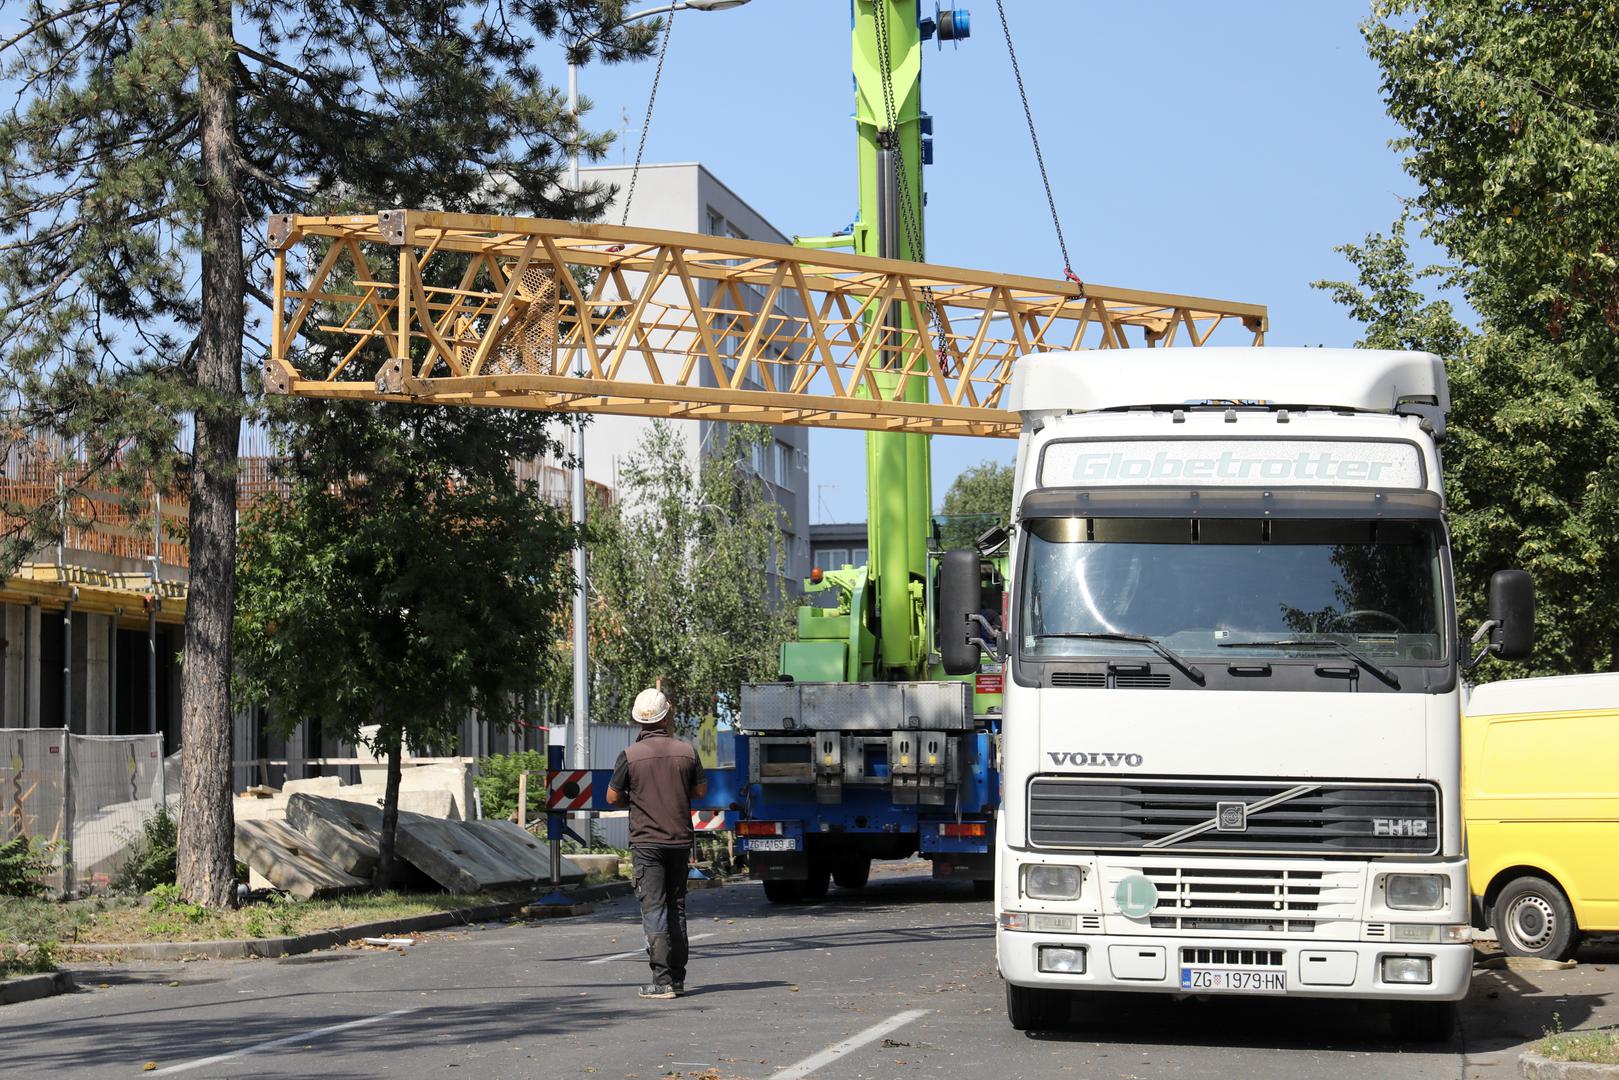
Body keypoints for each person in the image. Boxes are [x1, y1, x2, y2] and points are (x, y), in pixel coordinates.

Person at [605, 686, 707, 1000]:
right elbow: (701, 792)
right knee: (676, 907)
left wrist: (634, 797)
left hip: (647, 842)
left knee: (654, 909)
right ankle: (677, 979)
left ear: (639, 721)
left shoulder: (630, 756)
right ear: (666, 715)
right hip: (678, 840)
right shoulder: (687, 751)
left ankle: (661, 981)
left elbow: (612, 797)